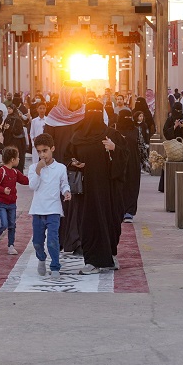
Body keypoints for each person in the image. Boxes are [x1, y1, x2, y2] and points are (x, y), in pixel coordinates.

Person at [70, 101, 125, 273]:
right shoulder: (78, 136)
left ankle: (110, 256)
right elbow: (67, 156)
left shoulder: (111, 135)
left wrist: (114, 148)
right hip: (86, 191)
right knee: (88, 223)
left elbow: (126, 158)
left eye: (96, 111)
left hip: (108, 190)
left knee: (110, 221)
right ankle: (92, 261)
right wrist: (74, 163)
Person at [44, 81, 86, 255]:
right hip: (57, 169)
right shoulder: (53, 117)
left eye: (78, 99)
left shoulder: (84, 115)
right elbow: (45, 144)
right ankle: (59, 241)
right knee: (59, 207)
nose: (77, 103)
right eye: (73, 99)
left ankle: (75, 242)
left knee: (76, 207)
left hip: (78, 169)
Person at [28, 133, 71, 278]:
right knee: (37, 242)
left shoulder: (60, 168)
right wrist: (38, 170)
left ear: (52, 148)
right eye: (39, 152)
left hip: (53, 209)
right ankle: (41, 259)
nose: (42, 154)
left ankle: (55, 267)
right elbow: (32, 186)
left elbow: (63, 184)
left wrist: (66, 192)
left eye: (45, 150)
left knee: (53, 240)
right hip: (38, 210)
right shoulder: (33, 167)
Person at [0, 145, 29, 255]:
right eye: (18, 157)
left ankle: (11, 245)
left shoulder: (15, 172)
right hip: (1, 203)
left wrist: (37, 177)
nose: (19, 159)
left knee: (12, 225)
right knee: (4, 224)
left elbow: (25, 180)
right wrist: (3, 190)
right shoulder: (1, 172)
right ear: (12, 159)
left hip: (12, 204)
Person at [116, 108, 141, 223]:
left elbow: (140, 146)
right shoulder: (114, 130)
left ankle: (129, 211)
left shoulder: (135, 130)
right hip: (121, 162)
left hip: (131, 162)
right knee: (121, 186)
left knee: (131, 185)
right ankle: (121, 210)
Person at [2, 102, 27, 171]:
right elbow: (3, 130)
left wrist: (10, 128)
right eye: (8, 108)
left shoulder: (17, 119)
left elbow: (18, 131)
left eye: (10, 108)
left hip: (17, 143)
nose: (9, 110)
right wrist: (5, 128)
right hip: (8, 141)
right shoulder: (7, 118)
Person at [133, 109, 152, 174]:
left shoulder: (144, 125)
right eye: (140, 116)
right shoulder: (134, 125)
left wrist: (147, 142)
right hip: (136, 143)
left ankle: (145, 168)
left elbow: (147, 134)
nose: (141, 118)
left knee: (144, 155)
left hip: (143, 143)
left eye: (142, 116)